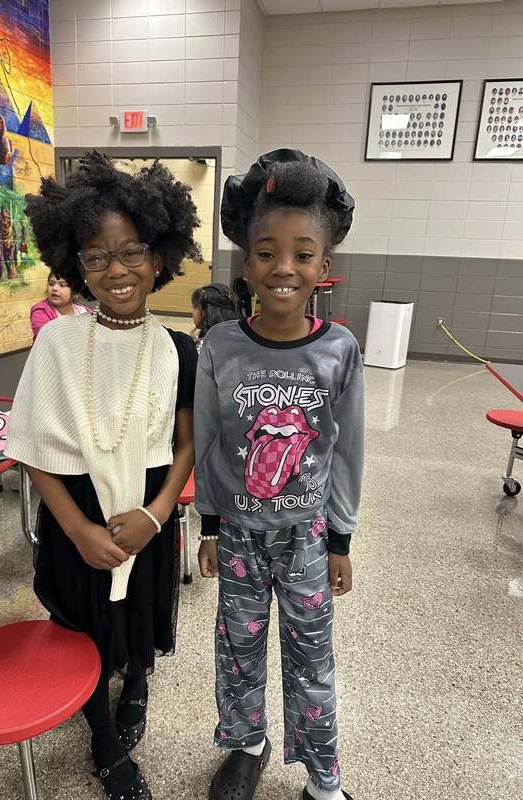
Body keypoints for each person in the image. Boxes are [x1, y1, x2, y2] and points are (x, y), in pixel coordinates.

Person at [4, 152, 200, 800]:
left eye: (132, 251)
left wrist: (157, 513)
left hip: (147, 512)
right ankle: (104, 740)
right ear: (74, 264)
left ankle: (137, 681)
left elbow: (186, 443)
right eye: (96, 256)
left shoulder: (178, 348)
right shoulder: (58, 343)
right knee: (84, 626)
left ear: (159, 254)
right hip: (79, 514)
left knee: (139, 611)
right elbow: (31, 444)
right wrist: (78, 528)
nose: (117, 269)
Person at [194, 149, 364, 800]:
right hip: (237, 536)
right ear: (247, 264)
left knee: (313, 661)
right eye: (266, 252)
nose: (283, 267)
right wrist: (208, 525)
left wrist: (342, 538)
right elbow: (208, 441)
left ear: (324, 267)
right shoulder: (221, 348)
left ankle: (323, 781)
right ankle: (245, 744)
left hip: (308, 540)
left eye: (301, 253)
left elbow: (348, 454)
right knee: (238, 654)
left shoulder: (339, 351)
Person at [30, 270, 88, 341]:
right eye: (51, 284)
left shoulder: (84, 311)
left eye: (62, 285)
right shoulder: (41, 310)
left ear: (75, 291)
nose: (54, 288)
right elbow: (46, 338)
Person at [191, 282, 239, 353]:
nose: (192, 313)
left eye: (195, 307)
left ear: (206, 312)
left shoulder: (200, 350)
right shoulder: (238, 339)